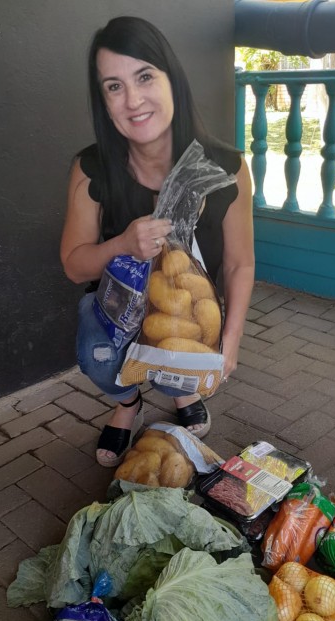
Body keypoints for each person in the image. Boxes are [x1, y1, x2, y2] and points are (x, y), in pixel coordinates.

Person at [60, 16, 254, 468]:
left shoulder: (226, 168)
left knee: (180, 355)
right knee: (97, 356)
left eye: (144, 77)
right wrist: (122, 244)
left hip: (189, 312)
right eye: (114, 86)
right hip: (118, 314)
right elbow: (73, 265)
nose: (132, 100)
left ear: (172, 80)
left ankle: (180, 393)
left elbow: (240, 263)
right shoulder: (92, 169)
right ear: (104, 101)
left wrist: (231, 339)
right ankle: (128, 404)